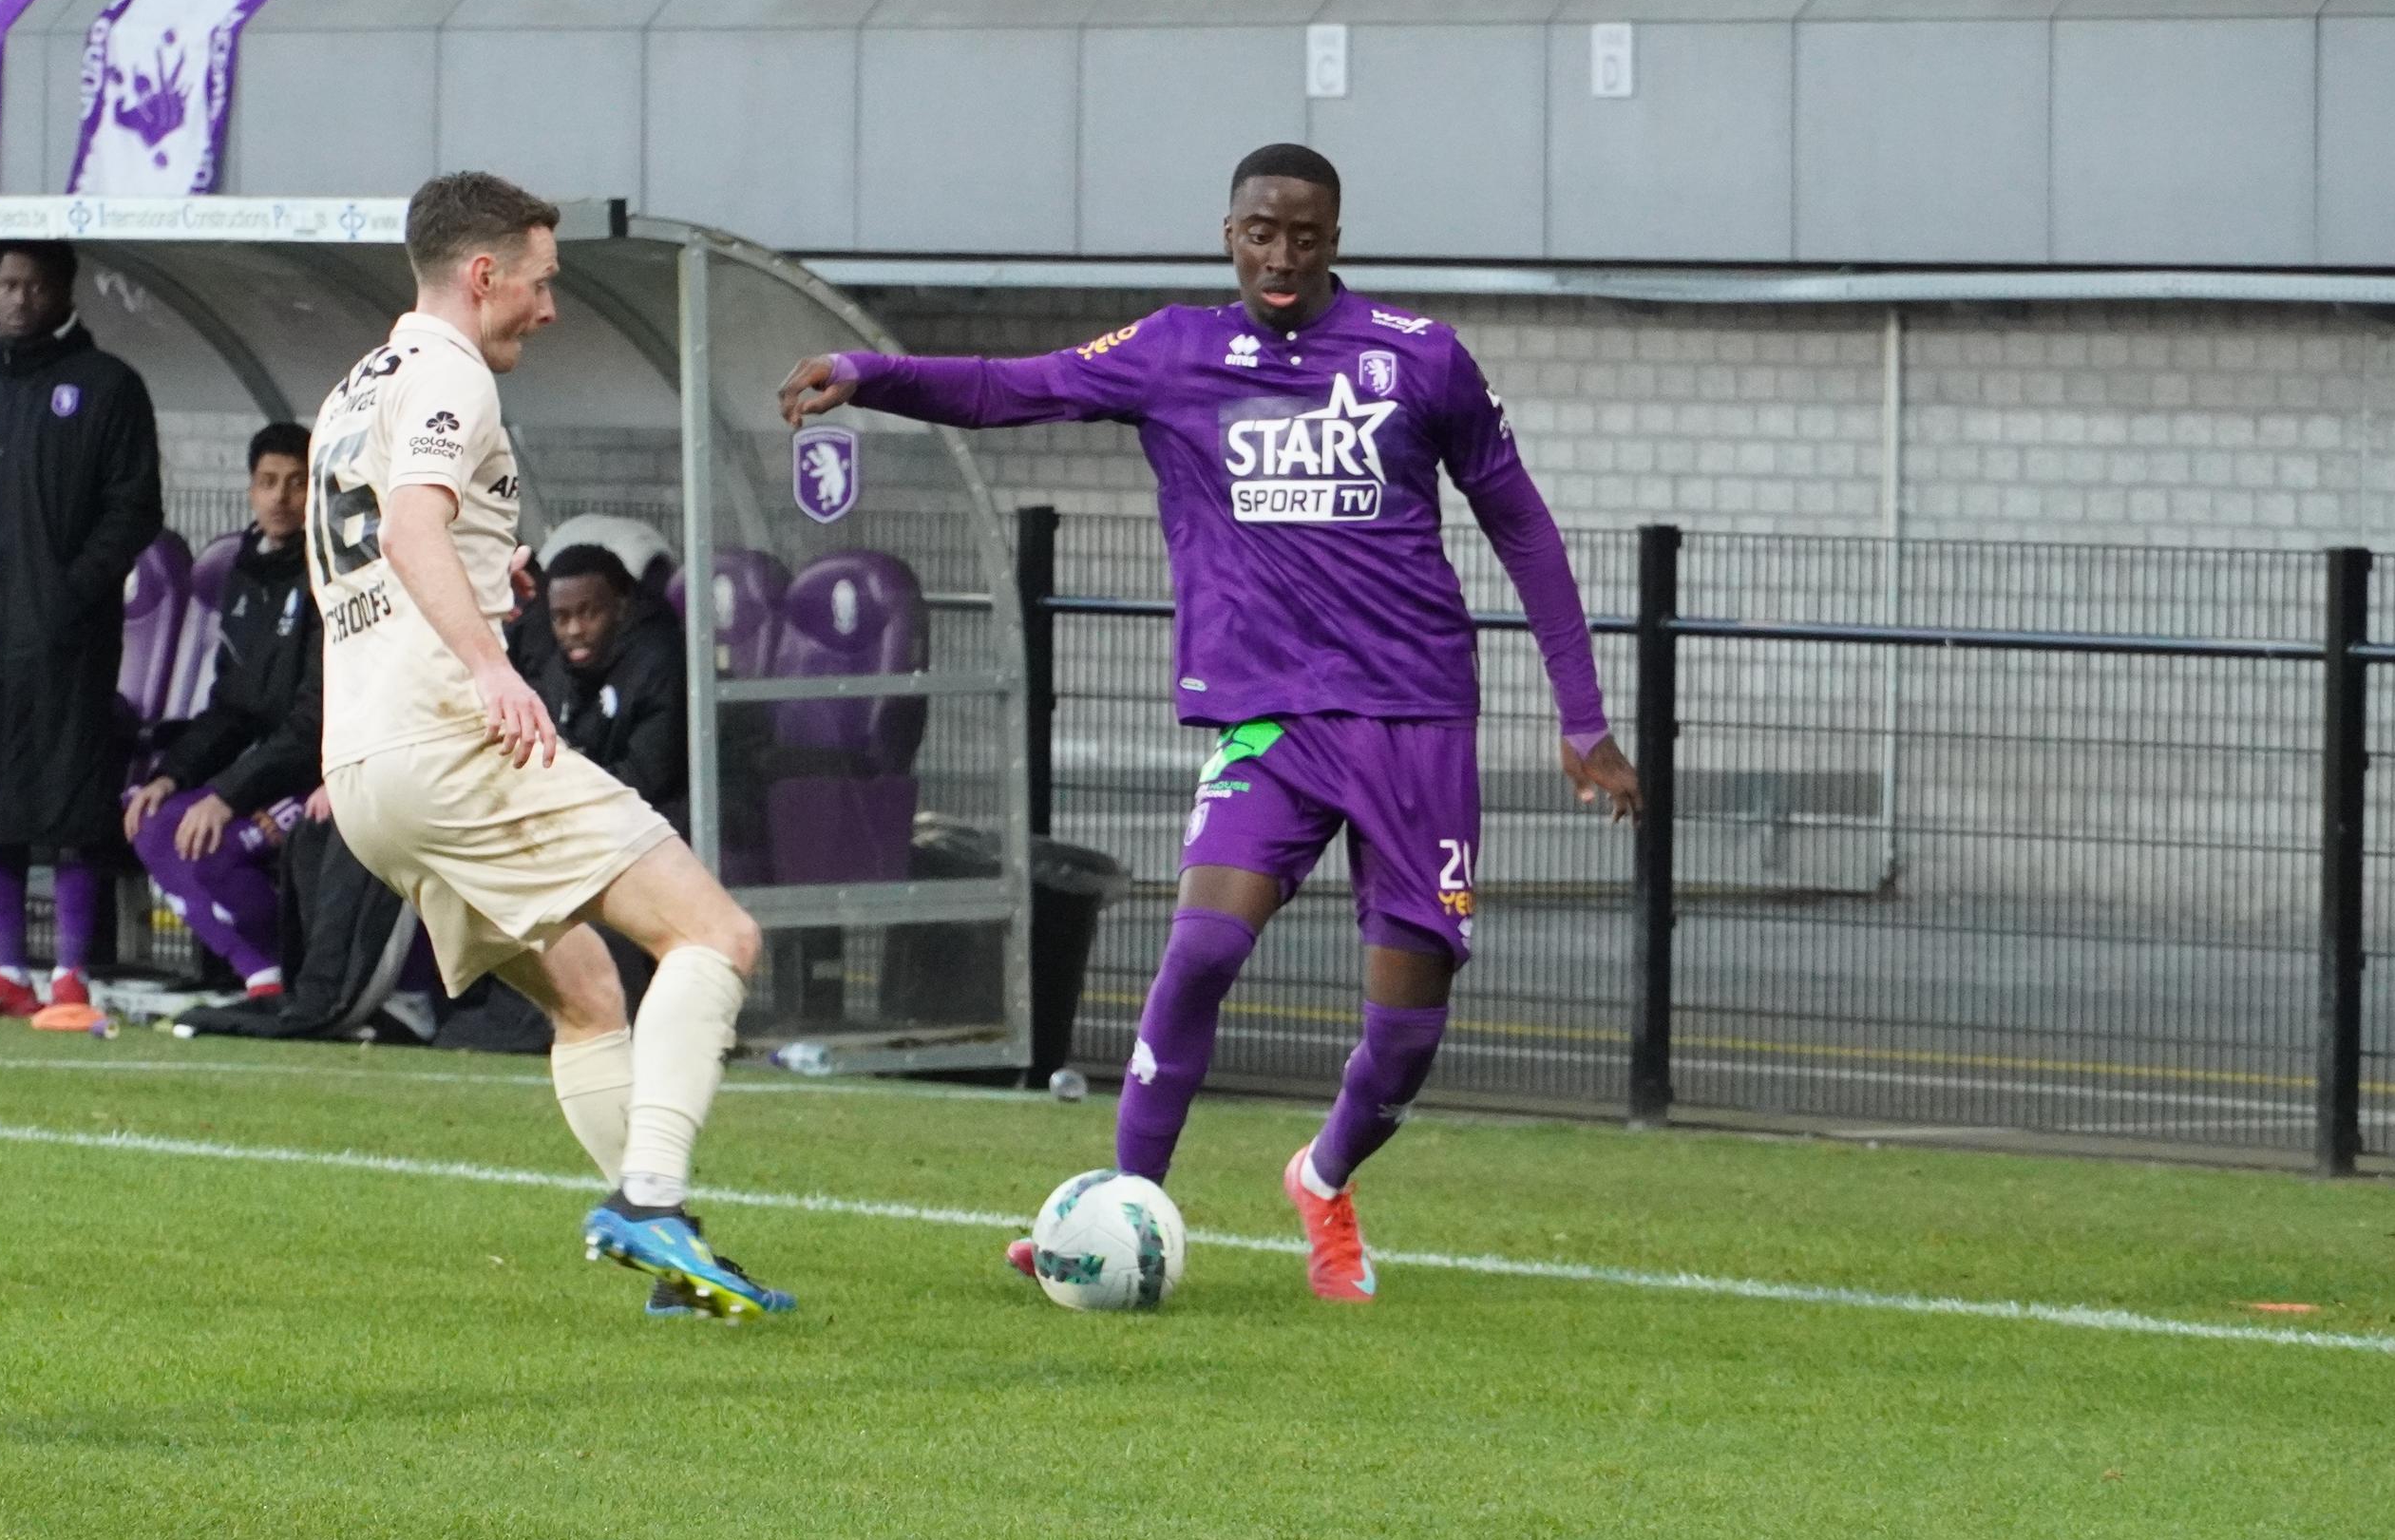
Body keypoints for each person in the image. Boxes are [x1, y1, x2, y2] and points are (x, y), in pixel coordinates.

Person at [778, 143, 1638, 1304]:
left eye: (1305, 235)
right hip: (1269, 717)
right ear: (1227, 231)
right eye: (1259, 232)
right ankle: (1119, 1215)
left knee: (1407, 1033)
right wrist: (868, 371)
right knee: (1202, 950)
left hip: (1418, 717)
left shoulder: (1420, 360)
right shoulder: (1174, 351)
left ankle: (1324, 1177)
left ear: (1337, 237)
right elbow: (1005, 388)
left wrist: (1581, 714)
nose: (1280, 256)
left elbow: (1524, 531)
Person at [307, 171, 792, 1318]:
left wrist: (491, 574)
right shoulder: (448, 371)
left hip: (365, 770)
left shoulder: (354, 387)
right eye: (541, 279)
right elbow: (418, 518)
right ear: (483, 276)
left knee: (584, 995)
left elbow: (387, 543)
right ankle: (653, 1201)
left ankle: (669, 1251)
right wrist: (487, 662)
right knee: (715, 935)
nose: (551, 304)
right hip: (447, 743)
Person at [0, 238, 165, 1022]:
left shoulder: (109, 387)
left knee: (69, 801)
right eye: (7, 284)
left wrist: (69, 594)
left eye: (33, 286)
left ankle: (71, 976)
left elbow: (135, 510)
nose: (17, 300)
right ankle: (8, 967)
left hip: (67, 636)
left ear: (63, 293)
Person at [124, 423, 318, 999]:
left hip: (318, 777)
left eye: (297, 483)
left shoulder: (332, 577)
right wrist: (173, 774)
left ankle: (302, 971)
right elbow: (233, 705)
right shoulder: (245, 575)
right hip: (264, 771)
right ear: (251, 490)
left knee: (214, 843)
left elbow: (315, 720)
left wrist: (225, 797)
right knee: (151, 820)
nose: (281, 498)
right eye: (268, 482)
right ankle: (260, 975)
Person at [530, 544, 684, 828]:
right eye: (560, 617)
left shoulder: (660, 665)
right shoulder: (557, 671)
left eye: (588, 613)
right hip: (589, 821)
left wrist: (552, 797)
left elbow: (645, 779)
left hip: (655, 832)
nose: (574, 630)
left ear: (621, 606)